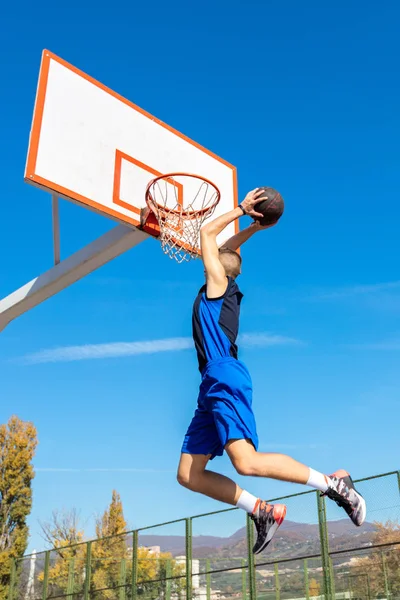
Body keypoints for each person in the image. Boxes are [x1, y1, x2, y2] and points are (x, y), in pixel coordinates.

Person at [177, 188, 366, 555]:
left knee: (245, 462)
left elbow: (208, 236)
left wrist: (241, 209)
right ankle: (260, 510)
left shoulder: (218, 286)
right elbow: (225, 245)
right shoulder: (226, 287)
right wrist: (254, 227)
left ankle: (333, 484)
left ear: (218, 264)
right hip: (212, 383)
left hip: (222, 376)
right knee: (189, 475)